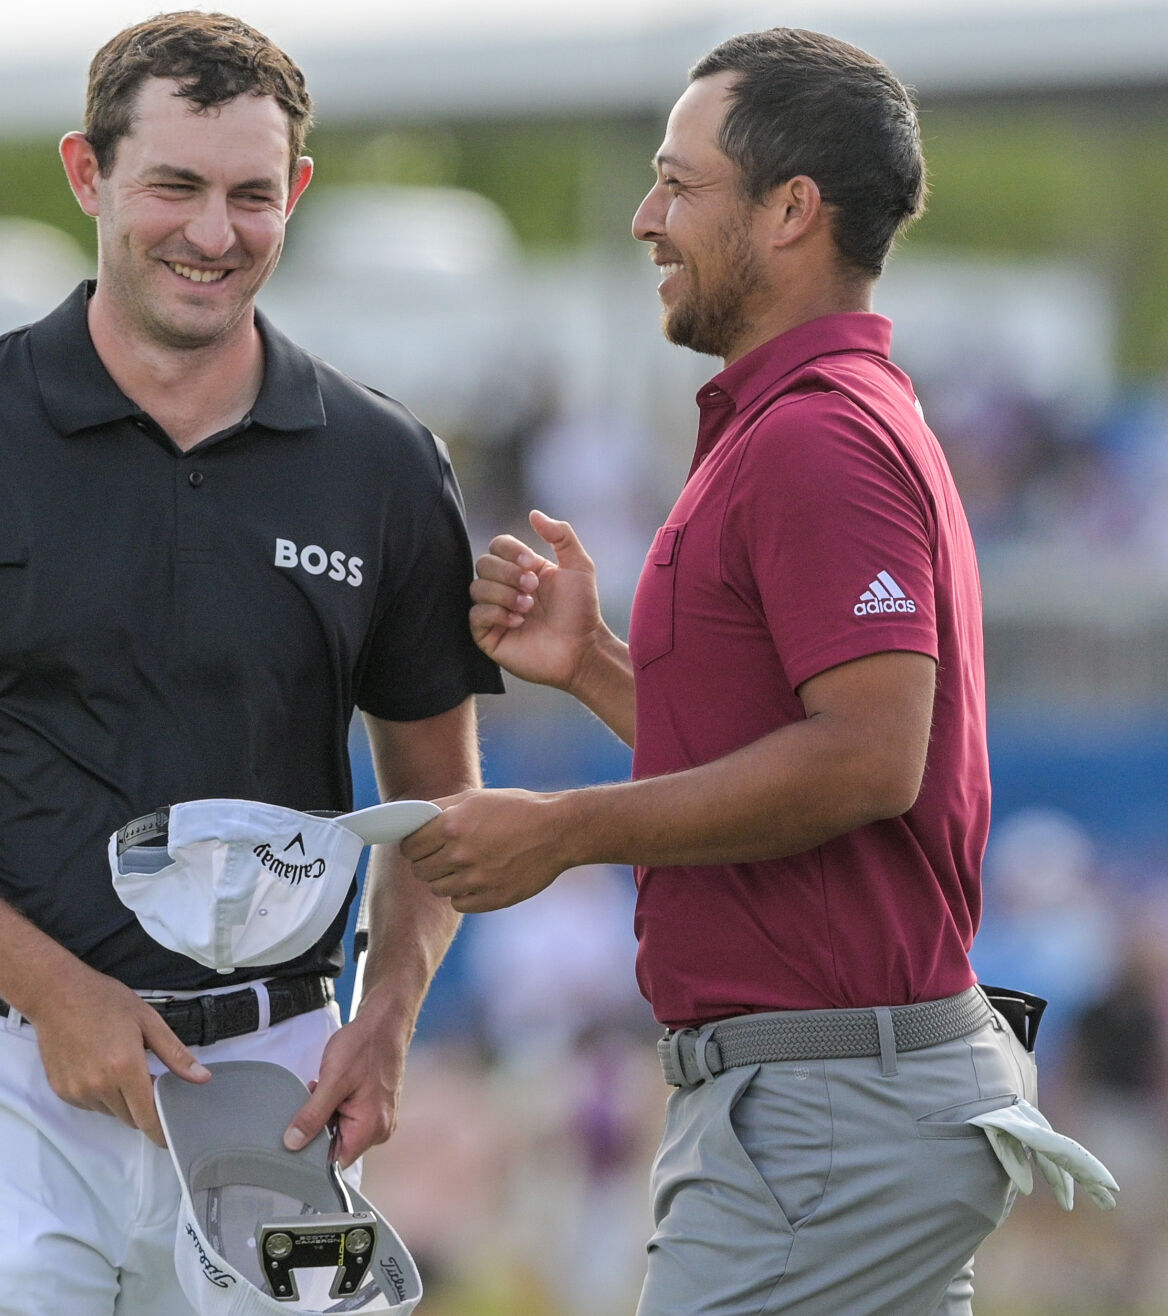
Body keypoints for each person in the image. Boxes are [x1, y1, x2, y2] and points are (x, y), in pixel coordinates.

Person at [0, 12, 501, 1313]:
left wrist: (387, 1018)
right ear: (87, 173)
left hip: (272, 1079)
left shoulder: (383, 468)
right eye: (174, 185)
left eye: (250, 195)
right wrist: (54, 991)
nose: (213, 233)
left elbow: (439, 812)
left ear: (298, 196)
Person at [402, 27, 1105, 1316]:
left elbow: (866, 759)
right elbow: (788, 752)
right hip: (846, 1102)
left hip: (823, 1113)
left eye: (679, 184)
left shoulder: (816, 436)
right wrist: (598, 669)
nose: (645, 217)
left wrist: (562, 828)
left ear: (792, 211)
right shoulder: (813, 421)